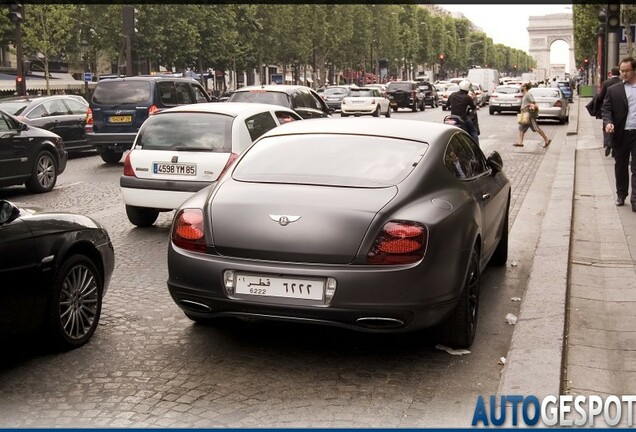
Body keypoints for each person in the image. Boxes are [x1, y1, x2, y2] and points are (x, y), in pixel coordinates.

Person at [601, 57, 636, 211]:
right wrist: (608, 122)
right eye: (622, 71)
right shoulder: (613, 90)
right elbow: (606, 109)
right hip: (620, 133)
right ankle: (621, 194)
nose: (624, 74)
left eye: (627, 71)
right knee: (620, 166)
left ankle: (635, 200)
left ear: (634, 70)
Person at [594, 66, 622, 156]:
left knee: (607, 127)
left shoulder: (606, 83)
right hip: (619, 110)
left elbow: (601, 96)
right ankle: (615, 148)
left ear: (611, 73)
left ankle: (608, 144)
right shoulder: (622, 83)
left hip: (608, 108)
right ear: (619, 73)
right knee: (617, 128)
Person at [515, 83, 551, 148]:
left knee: (536, 128)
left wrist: (526, 106)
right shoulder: (525, 95)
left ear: (525, 87)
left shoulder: (528, 94)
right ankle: (520, 142)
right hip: (525, 115)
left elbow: (533, 102)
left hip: (529, 116)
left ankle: (546, 140)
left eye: (522, 86)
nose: (520, 87)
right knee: (521, 128)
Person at [448, 79, 479, 144]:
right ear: (467, 89)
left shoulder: (453, 95)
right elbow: (473, 107)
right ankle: (476, 148)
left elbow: (447, 104)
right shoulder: (467, 97)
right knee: (473, 132)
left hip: (452, 118)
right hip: (463, 118)